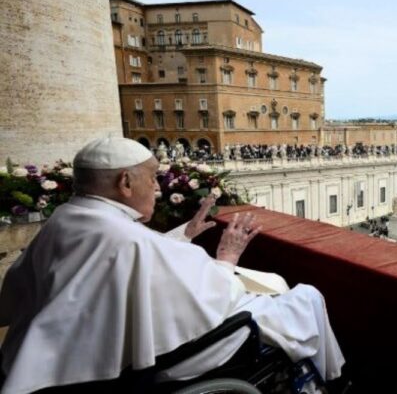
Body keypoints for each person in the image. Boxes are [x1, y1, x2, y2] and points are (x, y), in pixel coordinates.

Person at [0, 137, 345, 394]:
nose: (156, 189)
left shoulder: (69, 217)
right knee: (306, 297)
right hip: (169, 360)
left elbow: (124, 264)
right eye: (151, 179)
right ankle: (332, 380)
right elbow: (211, 297)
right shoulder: (127, 237)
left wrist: (185, 233)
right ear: (125, 182)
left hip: (60, 357)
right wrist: (227, 257)